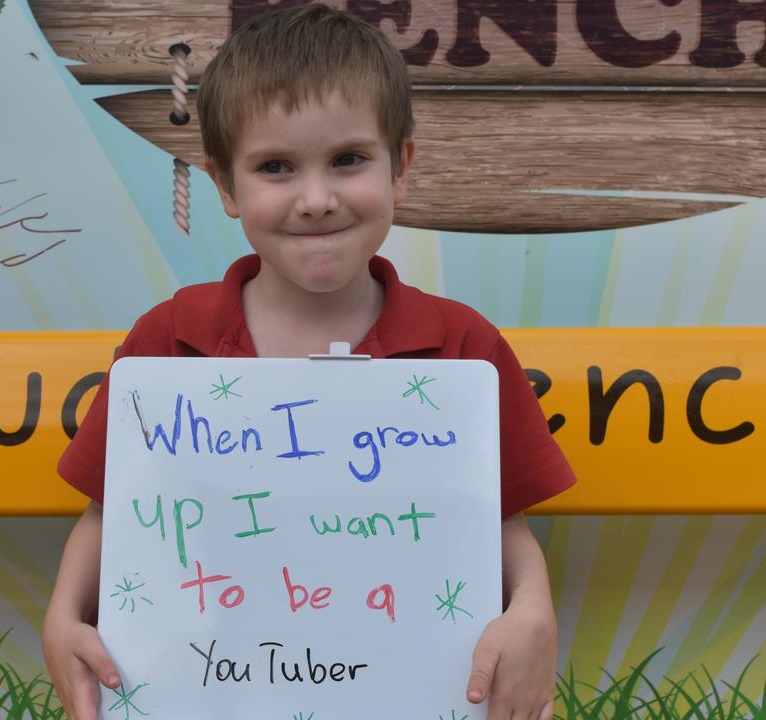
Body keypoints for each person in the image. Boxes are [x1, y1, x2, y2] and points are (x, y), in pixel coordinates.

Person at [43, 5, 576, 719]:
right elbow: (111, 514)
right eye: (276, 168)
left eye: (348, 160)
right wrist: (62, 616)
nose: (317, 199)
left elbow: (501, 528)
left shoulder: (461, 347)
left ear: (402, 167)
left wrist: (534, 612)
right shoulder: (169, 340)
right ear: (227, 187)